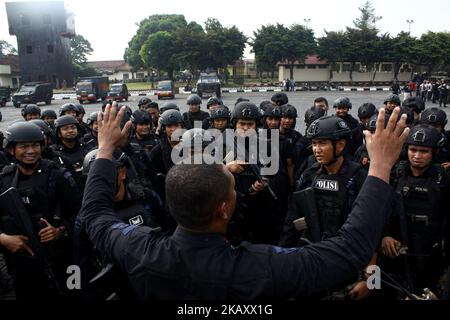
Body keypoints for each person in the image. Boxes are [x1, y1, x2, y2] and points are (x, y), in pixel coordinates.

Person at [79, 103, 409, 299]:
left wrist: (105, 148)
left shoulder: (137, 249)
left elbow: (93, 213)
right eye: (232, 189)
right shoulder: (260, 268)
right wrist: (381, 166)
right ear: (224, 208)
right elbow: (349, 250)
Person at [0, 122, 82, 300]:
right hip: (24, 265)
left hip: (64, 261)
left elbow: (81, 213)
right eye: (24, 146)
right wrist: (4, 239)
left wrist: (60, 232)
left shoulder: (57, 175)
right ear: (11, 149)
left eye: (35, 145)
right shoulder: (4, 180)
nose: (31, 151)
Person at [381, 124, 450, 297]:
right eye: (413, 149)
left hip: (429, 256)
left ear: (434, 153)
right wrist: (384, 235)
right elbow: (378, 209)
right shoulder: (395, 174)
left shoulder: (443, 181)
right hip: (395, 253)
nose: (417, 156)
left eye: (424, 151)